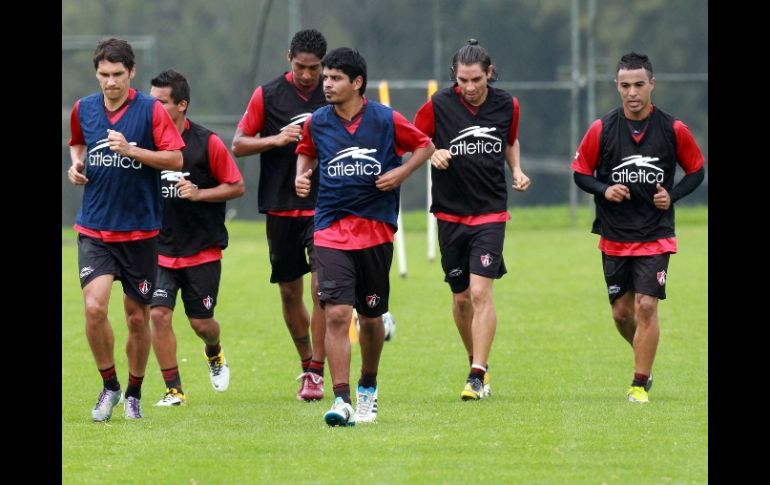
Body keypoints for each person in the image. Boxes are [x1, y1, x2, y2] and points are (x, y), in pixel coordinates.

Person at [295, 47, 434, 426]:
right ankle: (341, 400)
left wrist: (400, 174)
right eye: (325, 77)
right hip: (330, 230)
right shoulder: (317, 122)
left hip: (375, 231)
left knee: (370, 318)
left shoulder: (386, 120)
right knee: (337, 313)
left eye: (335, 78)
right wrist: (300, 174)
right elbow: (306, 152)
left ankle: (368, 387)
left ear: (357, 83)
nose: (327, 84)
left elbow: (426, 145)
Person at [571, 52, 705, 403]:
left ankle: (639, 382)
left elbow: (696, 171)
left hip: (655, 234)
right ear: (617, 86)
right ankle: (643, 350)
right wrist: (604, 189)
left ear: (652, 85)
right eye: (625, 85)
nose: (633, 92)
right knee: (622, 312)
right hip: (615, 236)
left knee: (647, 306)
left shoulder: (673, 129)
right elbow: (581, 172)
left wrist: (671, 196)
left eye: (639, 85)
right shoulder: (602, 128)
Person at [66, 38, 185, 421]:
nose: (110, 82)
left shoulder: (150, 111)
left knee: (137, 317)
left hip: (140, 232)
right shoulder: (83, 108)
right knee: (94, 306)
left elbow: (175, 156)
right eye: (104, 74)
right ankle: (110, 387)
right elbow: (79, 144)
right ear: (96, 73)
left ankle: (134, 392)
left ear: (131, 73)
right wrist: (76, 166)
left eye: (118, 74)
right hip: (95, 227)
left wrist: (133, 150)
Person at [413, 39, 530, 401]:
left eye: (476, 79)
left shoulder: (507, 104)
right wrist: (434, 152)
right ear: (455, 77)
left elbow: (510, 140)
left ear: (489, 73)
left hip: (491, 212)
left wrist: (517, 169)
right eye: (463, 80)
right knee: (461, 299)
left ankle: (477, 375)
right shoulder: (438, 105)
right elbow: (416, 139)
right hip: (449, 213)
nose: (470, 87)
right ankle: (475, 361)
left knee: (481, 293)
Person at [231, 29, 329, 401]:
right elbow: (238, 144)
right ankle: (307, 363)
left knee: (322, 289)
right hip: (280, 205)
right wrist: (276, 139)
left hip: (324, 205)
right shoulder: (268, 94)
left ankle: (318, 370)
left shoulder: (334, 90)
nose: (308, 75)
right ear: (289, 57)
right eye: (301, 67)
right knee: (290, 293)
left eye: (314, 68)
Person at [148, 69, 245, 407]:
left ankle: (214, 353)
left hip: (201, 249)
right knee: (158, 314)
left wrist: (198, 193)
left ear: (182, 105)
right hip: (158, 248)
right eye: (151, 101)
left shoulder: (207, 142)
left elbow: (237, 186)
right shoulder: (146, 143)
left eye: (161, 103)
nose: (153, 108)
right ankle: (173, 389)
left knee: (202, 323)